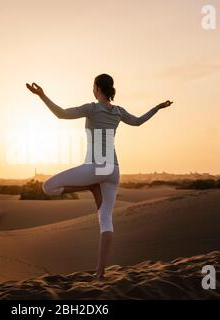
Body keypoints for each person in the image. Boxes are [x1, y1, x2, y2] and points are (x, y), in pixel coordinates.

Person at [26, 73, 173, 279]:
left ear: (96, 88)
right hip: (113, 169)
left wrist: (41, 95)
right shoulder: (119, 111)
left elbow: (61, 114)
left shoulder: (92, 108)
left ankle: (89, 186)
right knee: (105, 220)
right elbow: (139, 122)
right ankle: (100, 272)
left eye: (93, 86)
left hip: (96, 167)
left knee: (47, 187)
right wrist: (157, 108)